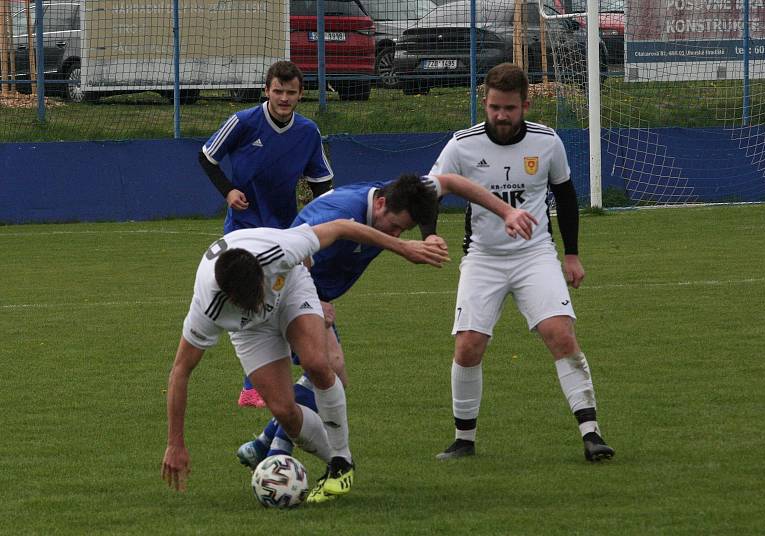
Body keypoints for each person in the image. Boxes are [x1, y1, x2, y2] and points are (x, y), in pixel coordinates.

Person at [235, 173, 536, 501]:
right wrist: (315, 301)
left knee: (331, 373)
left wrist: (493, 216)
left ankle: (265, 445)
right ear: (379, 204)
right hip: (286, 293)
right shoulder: (339, 213)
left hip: (312, 294)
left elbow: (450, 181)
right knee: (329, 368)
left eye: (402, 231)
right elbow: (291, 253)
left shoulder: (397, 193)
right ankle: (275, 448)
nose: (395, 234)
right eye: (394, 227)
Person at [161, 218, 450, 500]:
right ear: (230, 298)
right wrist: (175, 443)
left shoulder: (277, 250)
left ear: (262, 272)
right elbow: (180, 371)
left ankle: (341, 462)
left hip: (290, 291)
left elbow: (341, 227)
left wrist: (404, 248)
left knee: (317, 364)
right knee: (284, 411)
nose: (261, 303)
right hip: (250, 331)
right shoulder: (208, 307)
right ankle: (337, 461)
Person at [429, 63, 615, 462]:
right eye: (494, 106)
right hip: (483, 257)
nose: (500, 115)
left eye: (509, 108)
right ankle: (464, 439)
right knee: (468, 346)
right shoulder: (462, 145)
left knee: (560, 335)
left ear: (525, 105)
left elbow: (565, 198)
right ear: (485, 102)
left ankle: (591, 433)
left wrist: (571, 254)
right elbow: (432, 190)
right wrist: (429, 233)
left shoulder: (547, 142)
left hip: (535, 256)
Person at [198, 60, 334, 408]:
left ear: (301, 94)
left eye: (291, 92)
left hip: (286, 232)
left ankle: (305, 371)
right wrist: (228, 191)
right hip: (243, 231)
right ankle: (255, 385)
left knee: (287, 299)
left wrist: (315, 230)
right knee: (254, 301)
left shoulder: (307, 133)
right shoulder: (244, 122)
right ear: (266, 90)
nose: (284, 98)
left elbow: (323, 185)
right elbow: (207, 157)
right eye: (278, 91)